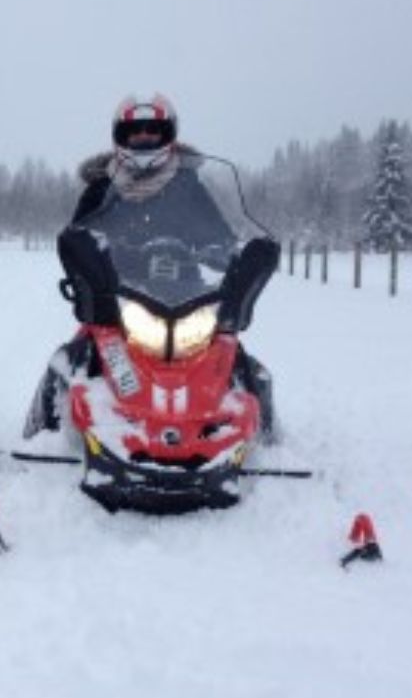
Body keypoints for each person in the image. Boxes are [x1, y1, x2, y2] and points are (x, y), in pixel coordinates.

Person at [22, 93, 278, 441]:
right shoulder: (102, 188)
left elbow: (220, 236)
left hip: (189, 296)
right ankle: (42, 440)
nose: (143, 139)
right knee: (70, 358)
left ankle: (267, 444)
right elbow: (79, 234)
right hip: (118, 298)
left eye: (152, 132)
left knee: (241, 363)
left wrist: (219, 252)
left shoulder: (190, 187)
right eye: (134, 132)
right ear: (120, 137)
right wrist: (109, 256)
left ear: (168, 134)